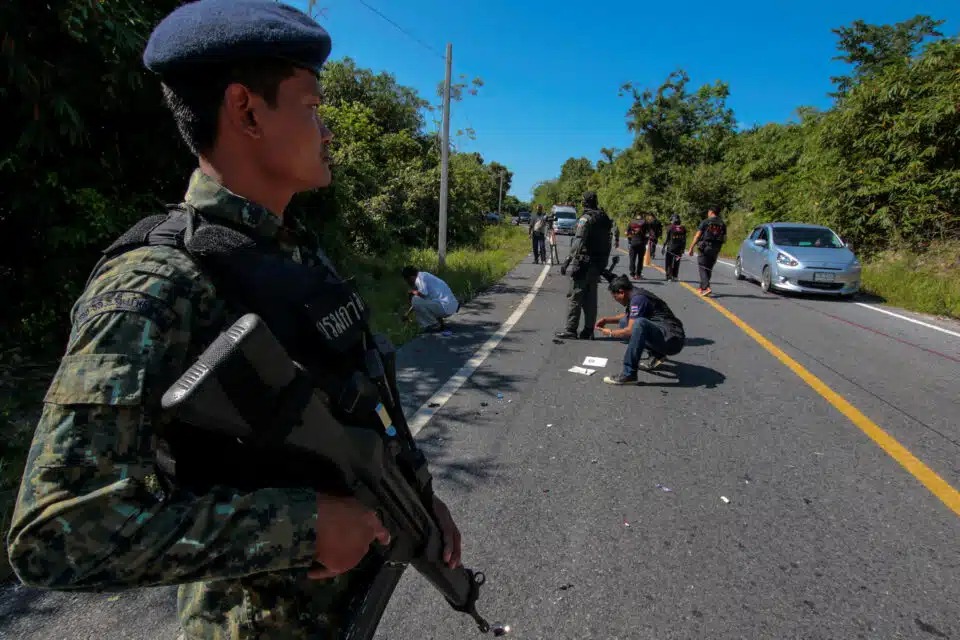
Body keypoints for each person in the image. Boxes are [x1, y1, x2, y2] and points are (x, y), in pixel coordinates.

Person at [6, 2, 464, 638]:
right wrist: (304, 527)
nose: (327, 131)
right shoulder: (156, 282)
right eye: (312, 107)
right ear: (247, 110)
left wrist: (413, 495)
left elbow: (353, 405)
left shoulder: (295, 255)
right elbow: (56, 532)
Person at [595, 275, 686, 385]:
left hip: (672, 341)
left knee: (639, 324)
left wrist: (610, 333)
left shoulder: (638, 299)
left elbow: (630, 331)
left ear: (621, 292)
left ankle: (629, 373)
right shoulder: (635, 293)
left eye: (615, 297)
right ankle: (657, 355)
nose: (616, 300)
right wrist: (606, 320)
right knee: (626, 321)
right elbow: (630, 315)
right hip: (665, 335)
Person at [556, 191, 613, 340]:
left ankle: (571, 329)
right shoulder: (604, 218)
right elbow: (609, 241)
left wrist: (568, 260)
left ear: (585, 202)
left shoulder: (586, 219)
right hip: (598, 264)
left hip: (583, 263)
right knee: (591, 298)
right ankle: (588, 330)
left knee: (576, 295)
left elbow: (578, 241)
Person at [402, 266, 460, 332]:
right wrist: (407, 314)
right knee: (426, 300)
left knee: (415, 299)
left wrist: (412, 292)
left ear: (411, 277)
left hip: (445, 307)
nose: (408, 283)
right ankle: (441, 324)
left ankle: (433, 324)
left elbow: (421, 297)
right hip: (450, 306)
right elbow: (424, 302)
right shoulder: (424, 275)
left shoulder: (419, 279)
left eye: (407, 281)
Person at [688, 204, 727, 296]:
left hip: (705, 247)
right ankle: (702, 287)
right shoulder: (722, 224)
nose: (708, 213)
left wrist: (691, 247)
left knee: (702, 266)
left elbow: (697, 235)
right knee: (708, 268)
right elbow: (724, 239)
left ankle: (707, 287)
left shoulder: (705, 222)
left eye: (708, 211)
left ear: (711, 212)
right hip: (716, 248)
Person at [662, 214, 687, 281]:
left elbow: (666, 239)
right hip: (679, 249)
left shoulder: (669, 227)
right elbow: (684, 240)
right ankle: (675, 276)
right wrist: (683, 248)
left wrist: (663, 247)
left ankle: (668, 276)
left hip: (670, 248)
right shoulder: (683, 228)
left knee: (668, 262)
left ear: (672, 220)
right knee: (677, 262)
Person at [625, 211, 647, 279]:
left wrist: (631, 236)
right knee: (640, 259)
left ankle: (632, 274)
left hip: (633, 243)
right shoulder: (645, 223)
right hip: (642, 244)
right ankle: (638, 274)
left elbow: (626, 233)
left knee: (632, 259)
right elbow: (649, 233)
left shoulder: (631, 222)